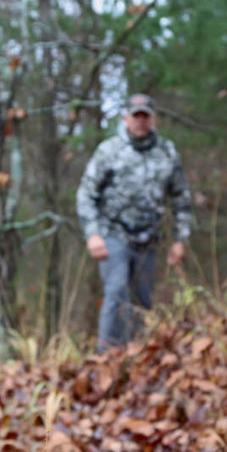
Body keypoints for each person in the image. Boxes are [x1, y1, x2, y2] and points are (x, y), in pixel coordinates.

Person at [76, 92, 193, 353]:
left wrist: (180, 239)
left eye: (145, 116)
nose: (140, 122)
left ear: (153, 119)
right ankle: (105, 359)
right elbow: (86, 193)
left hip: (148, 240)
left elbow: (181, 196)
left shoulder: (166, 152)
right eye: (135, 116)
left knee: (143, 302)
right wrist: (93, 234)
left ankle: (138, 358)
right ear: (126, 118)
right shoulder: (110, 151)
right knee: (117, 291)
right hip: (114, 234)